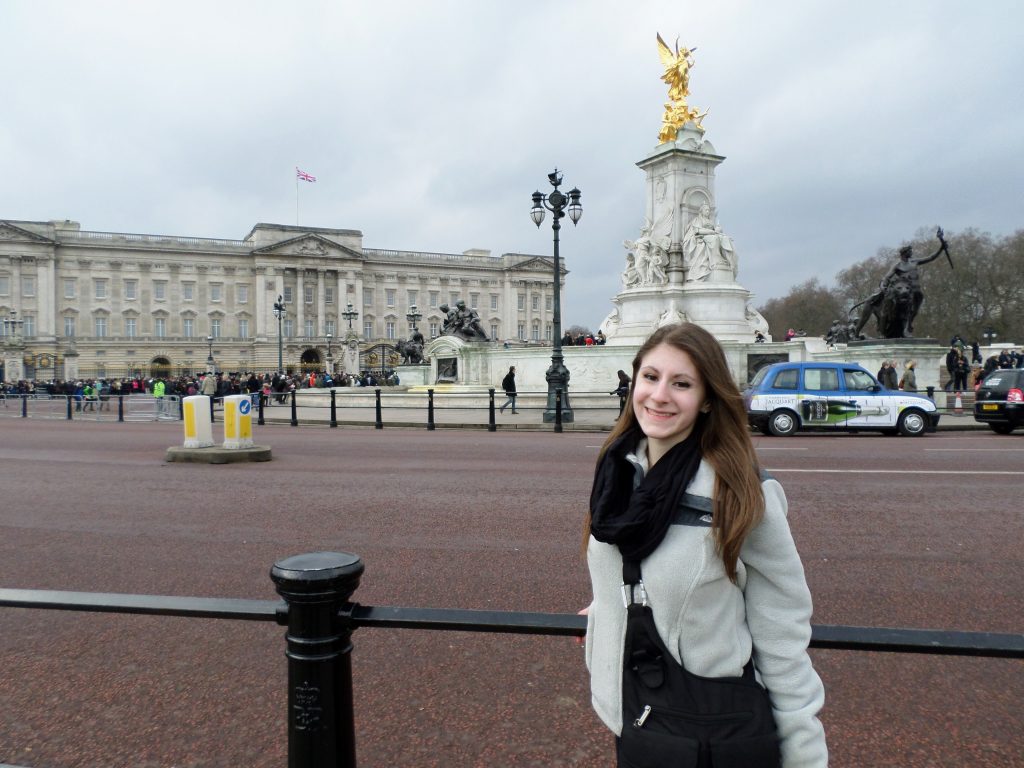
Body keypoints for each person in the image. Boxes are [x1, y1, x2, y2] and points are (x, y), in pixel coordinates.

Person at [582, 323, 827, 767]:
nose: (659, 396)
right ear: (633, 380)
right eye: (651, 377)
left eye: (682, 384)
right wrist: (609, 603)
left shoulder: (740, 490)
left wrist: (804, 755)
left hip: (707, 726)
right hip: (633, 716)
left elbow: (781, 629)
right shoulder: (616, 471)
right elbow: (631, 561)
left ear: (708, 399)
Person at [682, 204, 736, 282]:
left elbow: (715, 230)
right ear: (701, 211)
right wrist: (711, 232)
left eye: (708, 210)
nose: (708, 212)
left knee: (726, 239)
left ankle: (728, 261)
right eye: (706, 210)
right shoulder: (698, 220)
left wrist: (718, 230)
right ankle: (715, 260)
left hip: (711, 235)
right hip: (702, 236)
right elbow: (698, 231)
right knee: (714, 239)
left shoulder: (710, 221)